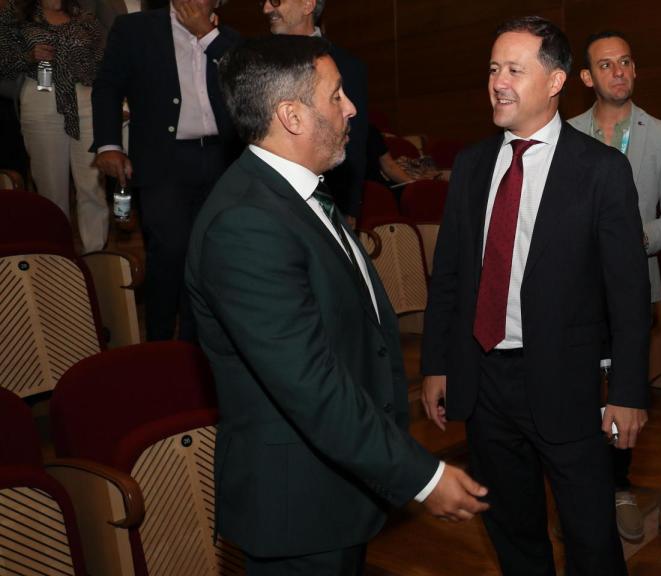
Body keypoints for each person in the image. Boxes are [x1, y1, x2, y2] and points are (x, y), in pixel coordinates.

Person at [186, 35, 488, 575]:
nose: (351, 108)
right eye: (336, 95)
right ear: (292, 115)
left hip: (334, 495)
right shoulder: (247, 224)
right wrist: (423, 477)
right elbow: (311, 386)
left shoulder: (295, 196)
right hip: (295, 513)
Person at [420, 15, 650, 576]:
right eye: (494, 68)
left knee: (591, 539)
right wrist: (436, 364)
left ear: (554, 82)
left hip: (566, 383)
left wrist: (626, 391)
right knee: (513, 533)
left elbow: (628, 293)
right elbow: (449, 275)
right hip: (483, 380)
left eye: (514, 70)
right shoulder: (473, 166)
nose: (498, 81)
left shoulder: (601, 171)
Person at [567, 29, 661, 542]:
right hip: (573, 293)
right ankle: (582, 488)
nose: (617, 71)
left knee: (624, 392)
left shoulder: (660, 133)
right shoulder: (566, 131)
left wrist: (635, 240)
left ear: (635, 70)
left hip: (631, 290)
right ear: (586, 77)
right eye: (605, 64)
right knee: (577, 393)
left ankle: (619, 485)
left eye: (625, 62)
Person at [91, 0, 239, 341]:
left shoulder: (230, 40)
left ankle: (192, 345)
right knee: (170, 250)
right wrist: (109, 144)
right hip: (163, 160)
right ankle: (158, 342)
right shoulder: (136, 29)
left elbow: (246, 85)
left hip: (220, 161)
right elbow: (108, 86)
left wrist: (207, 34)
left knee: (205, 255)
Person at [0, 0, 109, 251]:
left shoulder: (85, 17)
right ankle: (58, 256)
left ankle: (96, 255)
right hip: (40, 99)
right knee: (50, 187)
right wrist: (28, 57)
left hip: (85, 99)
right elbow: (3, 61)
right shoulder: (14, 15)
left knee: (92, 185)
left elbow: (107, 59)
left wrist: (83, 67)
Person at [261, 0, 368, 222]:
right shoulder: (258, 64)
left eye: (275, 1)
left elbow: (355, 143)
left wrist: (349, 210)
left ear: (308, 4)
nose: (266, 9)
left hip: (330, 204)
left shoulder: (348, 66)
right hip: (270, 203)